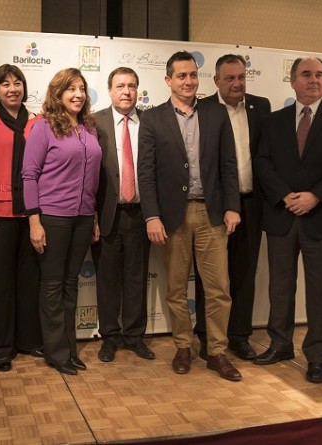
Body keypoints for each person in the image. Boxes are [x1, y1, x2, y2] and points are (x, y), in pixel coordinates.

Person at [137, 51, 242, 381]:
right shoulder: (153, 119)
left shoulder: (216, 114)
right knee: (176, 289)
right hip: (173, 216)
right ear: (168, 80)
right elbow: (146, 173)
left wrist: (233, 206)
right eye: (181, 76)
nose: (188, 81)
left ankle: (217, 352)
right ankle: (183, 346)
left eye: (193, 75)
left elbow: (228, 164)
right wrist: (152, 216)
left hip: (212, 214)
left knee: (218, 289)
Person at [253, 56, 322, 383]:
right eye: (307, 74)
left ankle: (317, 356)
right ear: (293, 81)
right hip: (282, 215)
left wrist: (315, 196)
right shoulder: (273, 121)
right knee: (280, 287)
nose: (314, 80)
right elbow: (262, 162)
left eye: (320, 75)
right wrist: (285, 195)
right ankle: (280, 344)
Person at [22, 68, 102, 375]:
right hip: (53, 217)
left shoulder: (89, 128)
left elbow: (93, 178)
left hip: (83, 217)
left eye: (81, 88)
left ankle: (69, 348)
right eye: (71, 89)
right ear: (58, 93)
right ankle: (56, 353)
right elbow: (29, 175)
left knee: (71, 284)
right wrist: (34, 222)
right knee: (53, 285)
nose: (78, 94)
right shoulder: (43, 127)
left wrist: (94, 216)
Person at [193, 55, 271, 361]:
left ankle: (239, 336)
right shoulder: (203, 109)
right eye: (229, 78)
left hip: (250, 203)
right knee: (209, 275)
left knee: (244, 272)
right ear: (216, 81)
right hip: (214, 204)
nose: (237, 83)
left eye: (241, 77)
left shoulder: (260, 107)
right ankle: (206, 335)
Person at [0, 64, 44, 372]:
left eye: (17, 83)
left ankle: (28, 340)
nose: (12, 89)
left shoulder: (38, 123)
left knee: (30, 282)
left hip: (31, 214)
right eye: (5, 84)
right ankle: (1, 348)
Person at [92, 67, 155, 363]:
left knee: (136, 278)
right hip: (107, 213)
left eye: (131, 85)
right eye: (120, 86)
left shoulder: (150, 122)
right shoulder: (94, 122)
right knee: (107, 280)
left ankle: (134, 336)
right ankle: (110, 336)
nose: (126, 91)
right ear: (109, 90)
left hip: (141, 214)